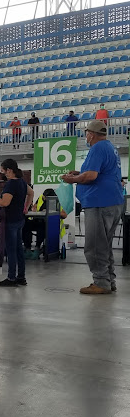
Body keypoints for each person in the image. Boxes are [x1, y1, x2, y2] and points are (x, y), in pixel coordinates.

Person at [61, 119, 123, 294]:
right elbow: (99, 172)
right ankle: (109, 279)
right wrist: (79, 173)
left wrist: (71, 179)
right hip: (113, 201)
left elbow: (92, 176)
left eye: (87, 133)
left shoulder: (97, 148)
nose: (86, 136)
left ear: (91, 134)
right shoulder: (110, 147)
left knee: (95, 245)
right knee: (105, 244)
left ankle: (101, 282)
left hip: (99, 202)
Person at [0, 158, 34, 287]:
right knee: (19, 249)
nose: (3, 174)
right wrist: (26, 207)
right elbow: (31, 193)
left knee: (11, 249)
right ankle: (21, 276)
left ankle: (11, 277)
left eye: (3, 171)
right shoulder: (22, 182)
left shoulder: (10, 184)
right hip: (19, 219)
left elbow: (4, 203)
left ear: (9, 170)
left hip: (10, 220)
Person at [23, 188, 67, 259]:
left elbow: (64, 215)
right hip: (37, 220)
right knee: (26, 225)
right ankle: (27, 248)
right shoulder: (41, 197)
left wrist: (51, 211)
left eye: (45, 197)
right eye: (43, 196)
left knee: (42, 228)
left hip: (51, 224)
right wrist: (33, 209)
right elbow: (35, 206)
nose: (43, 198)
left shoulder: (57, 201)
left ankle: (37, 248)